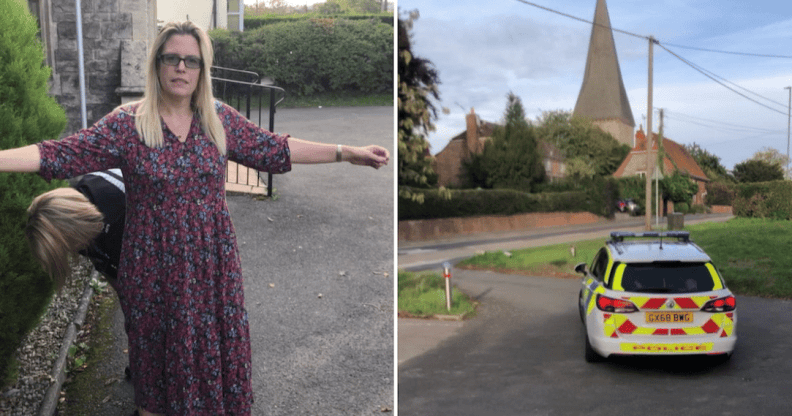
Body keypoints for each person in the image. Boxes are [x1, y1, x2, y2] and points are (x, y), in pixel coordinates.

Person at [0, 20, 388, 416]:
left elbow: (276, 150)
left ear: (203, 69)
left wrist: (346, 151)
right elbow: (58, 154)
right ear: (157, 64)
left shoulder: (217, 120)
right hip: (150, 270)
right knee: (155, 373)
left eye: (191, 60)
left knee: (216, 361)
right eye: (172, 58)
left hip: (212, 267)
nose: (181, 68)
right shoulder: (128, 125)